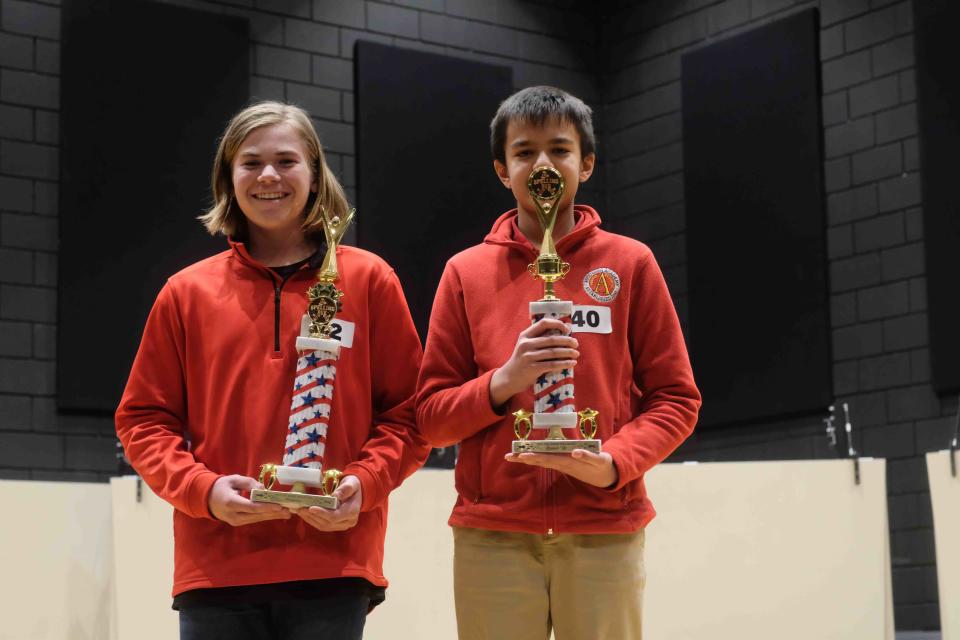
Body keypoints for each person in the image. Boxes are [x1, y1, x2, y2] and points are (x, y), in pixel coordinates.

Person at [115, 101, 429, 640]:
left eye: (286, 161)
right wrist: (203, 490)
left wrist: (363, 482)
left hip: (334, 564)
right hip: (215, 569)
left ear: (314, 174)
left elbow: (409, 417)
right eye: (250, 162)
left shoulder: (371, 280)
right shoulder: (185, 293)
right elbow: (143, 421)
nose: (268, 176)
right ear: (228, 178)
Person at [415, 85, 702, 639]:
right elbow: (430, 416)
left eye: (559, 149)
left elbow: (677, 399)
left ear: (586, 163)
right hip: (492, 535)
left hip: (604, 527)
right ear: (502, 169)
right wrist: (503, 383)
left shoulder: (630, 263)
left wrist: (615, 462)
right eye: (524, 152)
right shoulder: (465, 273)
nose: (542, 164)